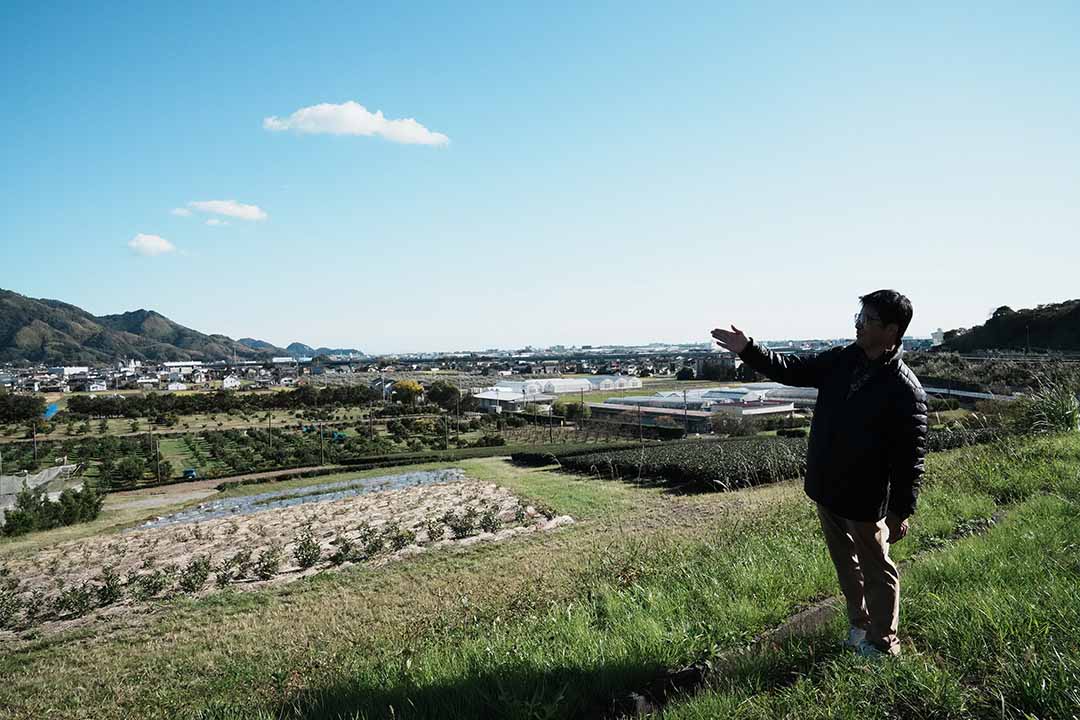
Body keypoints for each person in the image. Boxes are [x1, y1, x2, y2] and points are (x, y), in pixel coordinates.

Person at [711, 289, 927, 657]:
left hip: (866, 497)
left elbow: (910, 460)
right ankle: (859, 626)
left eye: (867, 320)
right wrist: (748, 349)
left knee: (878, 571)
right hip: (827, 487)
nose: (858, 325)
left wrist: (900, 511)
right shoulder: (843, 359)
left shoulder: (904, 390)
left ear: (892, 330)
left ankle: (884, 642)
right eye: (857, 317)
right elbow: (793, 368)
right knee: (847, 567)